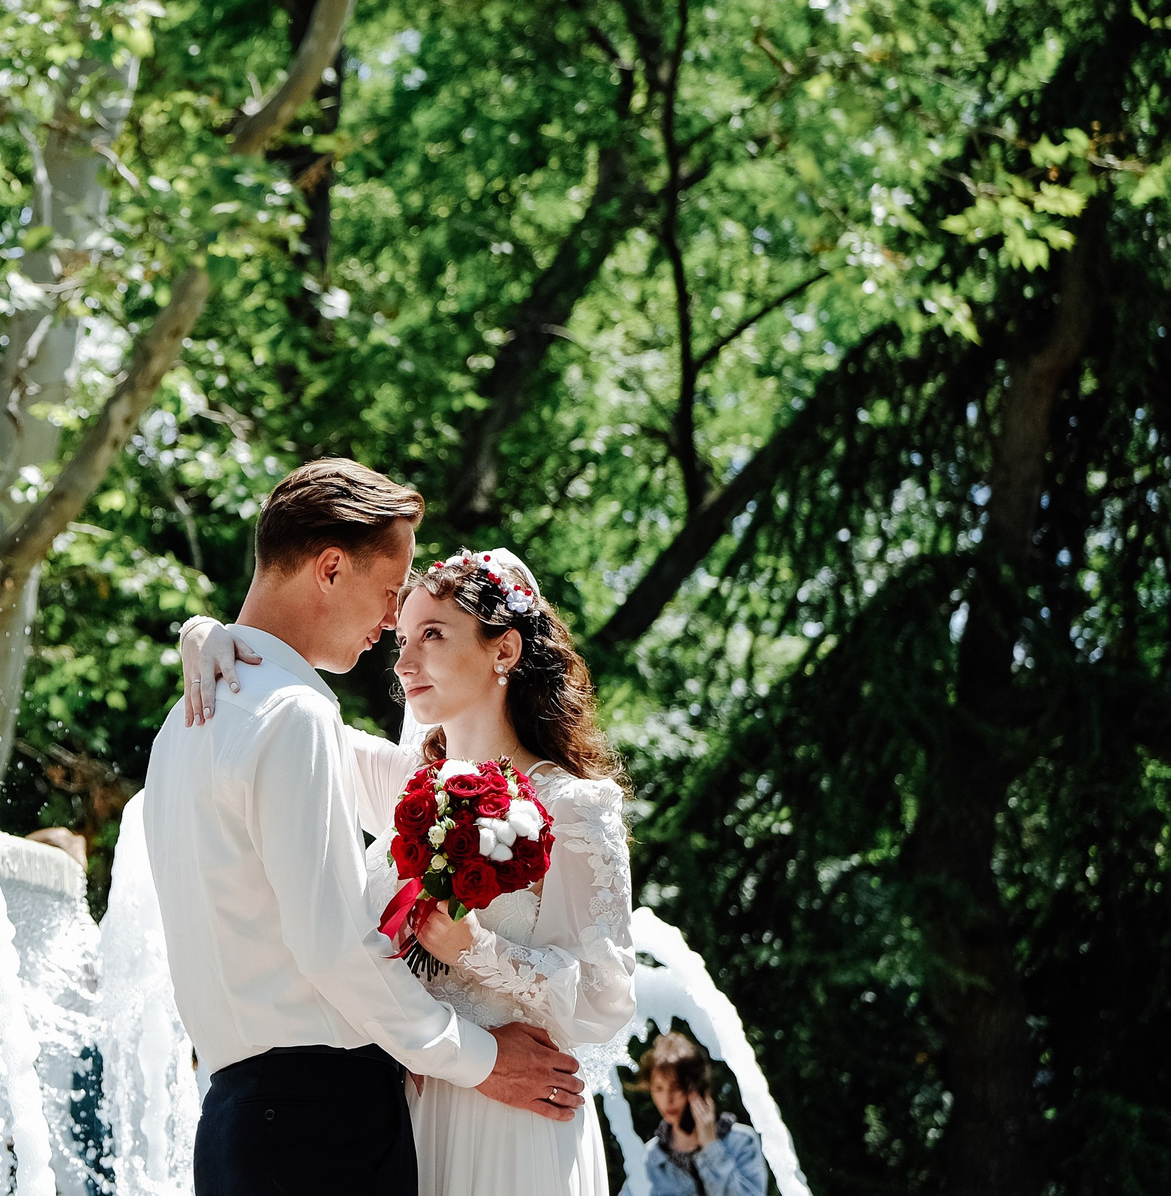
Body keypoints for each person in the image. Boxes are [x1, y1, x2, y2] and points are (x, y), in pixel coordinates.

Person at [144, 459, 584, 1196]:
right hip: (325, 1128)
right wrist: (482, 1058)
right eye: (388, 594)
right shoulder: (294, 712)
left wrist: (205, 630)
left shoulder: (185, 721)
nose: (391, 623)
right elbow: (335, 947)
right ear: (329, 567)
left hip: (232, 1125)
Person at [640, 1031, 766, 1196]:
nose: (667, 1099)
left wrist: (711, 1148)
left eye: (676, 1088)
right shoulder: (650, 1157)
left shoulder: (741, 1142)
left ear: (697, 1087)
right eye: (658, 1089)